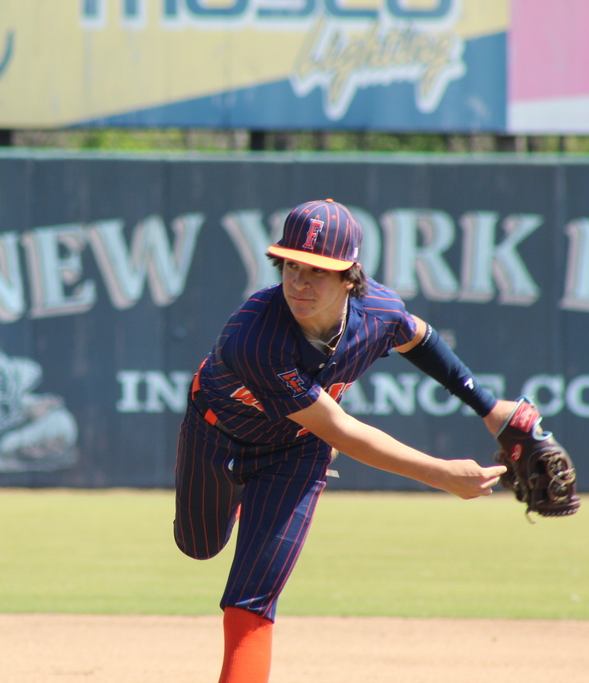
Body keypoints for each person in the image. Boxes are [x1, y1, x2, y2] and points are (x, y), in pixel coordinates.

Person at [174, 199, 514, 683]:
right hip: (217, 435)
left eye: (317, 271)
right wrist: (440, 474)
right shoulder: (254, 336)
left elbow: (418, 337)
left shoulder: (378, 309)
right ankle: (242, 500)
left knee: (251, 596)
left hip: (295, 449)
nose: (299, 283)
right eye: (292, 266)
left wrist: (488, 406)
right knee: (199, 546)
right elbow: (340, 428)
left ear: (349, 278)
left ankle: (265, 509)